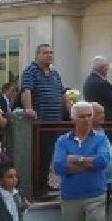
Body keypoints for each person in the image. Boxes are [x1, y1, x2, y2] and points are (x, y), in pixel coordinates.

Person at [20, 43, 69, 193]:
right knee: (39, 154)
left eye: (51, 52)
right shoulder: (31, 71)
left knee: (48, 154)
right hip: (40, 121)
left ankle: (44, 183)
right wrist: (28, 108)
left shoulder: (55, 74)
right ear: (38, 55)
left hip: (54, 121)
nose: (49, 55)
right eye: (45, 52)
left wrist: (70, 109)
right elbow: (26, 90)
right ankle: (37, 187)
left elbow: (62, 93)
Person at [53, 101, 110, 221]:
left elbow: (102, 161)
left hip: (95, 195)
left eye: (89, 115)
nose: (86, 119)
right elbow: (59, 166)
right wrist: (90, 163)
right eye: (82, 116)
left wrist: (76, 159)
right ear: (73, 119)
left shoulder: (101, 138)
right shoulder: (63, 141)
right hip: (70, 196)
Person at [82, 56, 112, 121]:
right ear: (102, 68)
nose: (108, 69)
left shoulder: (87, 81)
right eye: (107, 67)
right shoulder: (103, 84)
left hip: (92, 117)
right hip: (105, 119)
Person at [90, 103, 112, 191]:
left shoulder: (101, 131)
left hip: (109, 179)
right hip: (97, 180)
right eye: (99, 113)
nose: (102, 116)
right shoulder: (88, 134)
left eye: (103, 113)